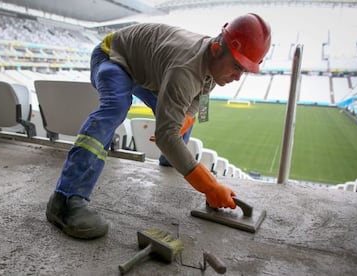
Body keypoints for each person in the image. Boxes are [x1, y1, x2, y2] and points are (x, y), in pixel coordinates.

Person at [46, 13, 271, 239]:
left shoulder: (213, 63)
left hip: (145, 69)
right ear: (215, 48)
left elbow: (196, 101)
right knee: (116, 106)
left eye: (243, 70)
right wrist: (210, 186)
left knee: (177, 115)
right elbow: (167, 134)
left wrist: (183, 120)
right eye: (236, 66)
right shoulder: (186, 68)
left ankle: (170, 159)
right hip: (112, 57)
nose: (237, 77)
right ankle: (65, 199)